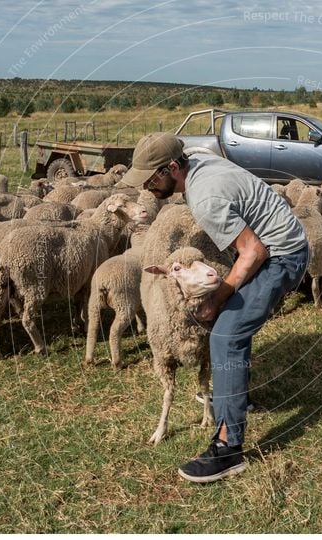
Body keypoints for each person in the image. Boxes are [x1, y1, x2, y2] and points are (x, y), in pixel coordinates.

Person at [121, 133, 309, 483]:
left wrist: (217, 299)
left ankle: (228, 448)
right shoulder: (195, 160)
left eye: (151, 179)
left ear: (173, 167)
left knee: (225, 334)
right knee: (231, 325)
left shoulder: (205, 196)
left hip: (282, 255)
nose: (146, 188)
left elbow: (254, 251)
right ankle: (233, 396)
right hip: (272, 244)